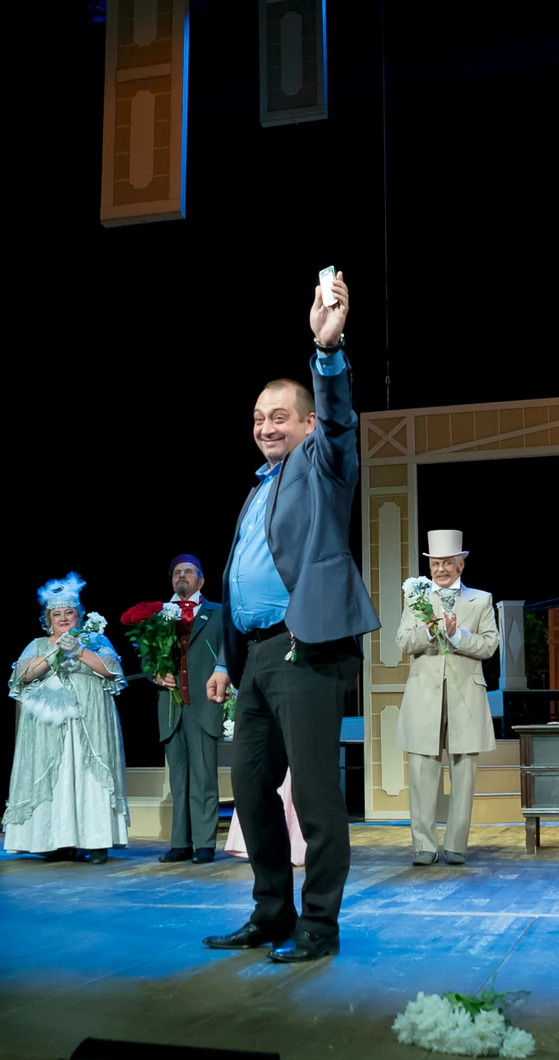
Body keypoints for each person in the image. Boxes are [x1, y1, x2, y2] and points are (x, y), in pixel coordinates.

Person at [201, 271, 379, 965]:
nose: (265, 427)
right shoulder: (257, 491)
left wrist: (327, 350)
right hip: (256, 657)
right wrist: (226, 659)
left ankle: (319, 925)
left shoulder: (323, 464)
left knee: (314, 795)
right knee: (250, 791)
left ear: (305, 425)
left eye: (278, 416)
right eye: (257, 418)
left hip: (308, 650)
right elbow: (241, 584)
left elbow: (338, 417)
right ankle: (271, 911)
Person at [3, 573, 130, 863]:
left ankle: (96, 841)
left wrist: (79, 650)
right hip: (48, 727)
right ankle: (55, 841)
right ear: (48, 619)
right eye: (56, 614)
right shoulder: (38, 645)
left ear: (79, 615)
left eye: (68, 612)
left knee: (90, 775)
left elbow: (111, 668)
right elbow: (22, 674)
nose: (62, 618)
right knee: (56, 775)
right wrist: (54, 653)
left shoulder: (96, 639)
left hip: (89, 722)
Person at [397, 530, 500, 866]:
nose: (440, 569)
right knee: (421, 773)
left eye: (447, 563)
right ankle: (423, 846)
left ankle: (456, 846)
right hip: (423, 697)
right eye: (435, 564)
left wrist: (457, 635)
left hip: (465, 695)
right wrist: (429, 630)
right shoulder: (416, 599)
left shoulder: (481, 600)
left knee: (464, 773)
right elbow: (403, 642)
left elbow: (489, 645)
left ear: (461, 564)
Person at [154, 555, 225, 865]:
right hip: (172, 706)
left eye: (188, 571)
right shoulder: (159, 615)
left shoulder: (217, 612)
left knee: (204, 777)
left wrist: (223, 672)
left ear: (201, 580)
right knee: (178, 780)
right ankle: (180, 843)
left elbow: (228, 649)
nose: (181, 576)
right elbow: (147, 655)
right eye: (176, 572)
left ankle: (204, 843)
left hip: (203, 703)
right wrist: (156, 673)